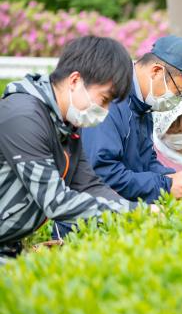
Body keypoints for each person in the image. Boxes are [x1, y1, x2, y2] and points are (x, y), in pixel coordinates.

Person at [0, 36, 153, 264]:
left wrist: (139, 210)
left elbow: (88, 185)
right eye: (104, 99)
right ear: (74, 81)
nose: (105, 110)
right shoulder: (25, 117)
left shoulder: (66, 124)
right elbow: (56, 201)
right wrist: (132, 213)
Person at [81, 35, 182, 204]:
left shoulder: (143, 103)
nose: (178, 98)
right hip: (87, 220)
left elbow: (145, 161)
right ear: (156, 71)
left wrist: (171, 176)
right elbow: (102, 171)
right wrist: (165, 185)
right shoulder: (109, 97)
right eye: (179, 90)